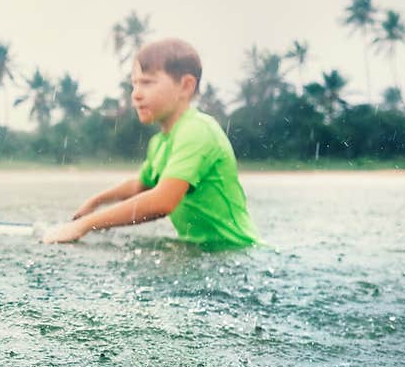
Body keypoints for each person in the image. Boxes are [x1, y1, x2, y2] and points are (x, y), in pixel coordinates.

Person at [42, 38, 259, 247]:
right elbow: (140, 185)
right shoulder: (160, 141)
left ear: (185, 86)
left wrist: (85, 225)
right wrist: (96, 201)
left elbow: (162, 201)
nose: (136, 94)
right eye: (134, 84)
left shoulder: (197, 130)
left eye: (146, 82)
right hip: (204, 252)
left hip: (236, 251)